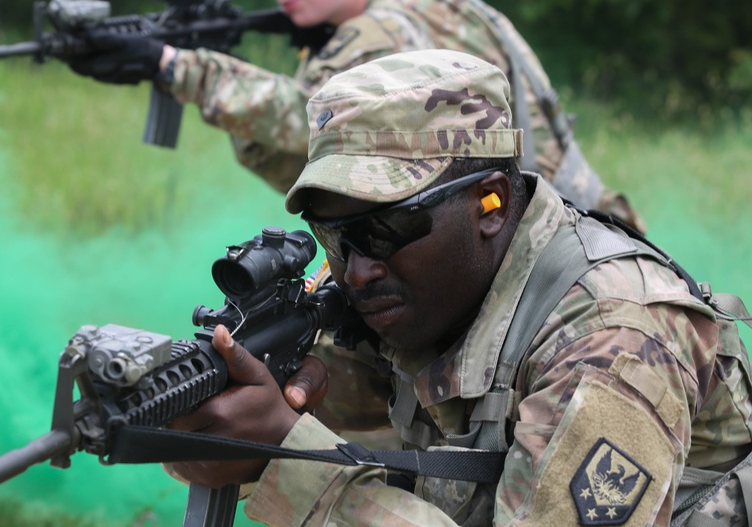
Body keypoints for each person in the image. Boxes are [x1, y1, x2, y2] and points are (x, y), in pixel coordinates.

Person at [163, 49, 752, 525]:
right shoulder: (421, 286)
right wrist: (233, 409)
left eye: (387, 226)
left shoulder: (614, 338)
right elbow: (334, 399)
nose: (359, 268)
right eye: (331, 235)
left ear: (489, 204)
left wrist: (287, 461)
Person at [69, 0, 646, 232]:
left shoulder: (388, 27)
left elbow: (310, 122)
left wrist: (172, 66)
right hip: (567, 230)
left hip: (541, 254)